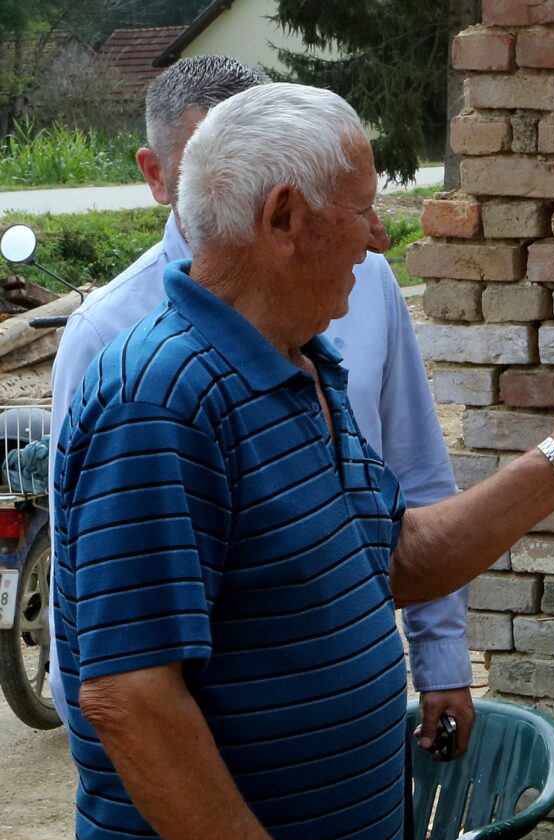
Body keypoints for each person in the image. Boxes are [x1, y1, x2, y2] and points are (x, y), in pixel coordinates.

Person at [53, 82, 554, 840]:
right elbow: (129, 698)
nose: (382, 237)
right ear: (284, 219)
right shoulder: (160, 399)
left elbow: (398, 559)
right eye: (364, 208)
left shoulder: (305, 364)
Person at [48, 55, 474, 760]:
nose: (378, 238)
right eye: (209, 165)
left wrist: (442, 659)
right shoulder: (112, 345)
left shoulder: (359, 289)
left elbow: (412, 484)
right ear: (158, 175)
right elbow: (96, 613)